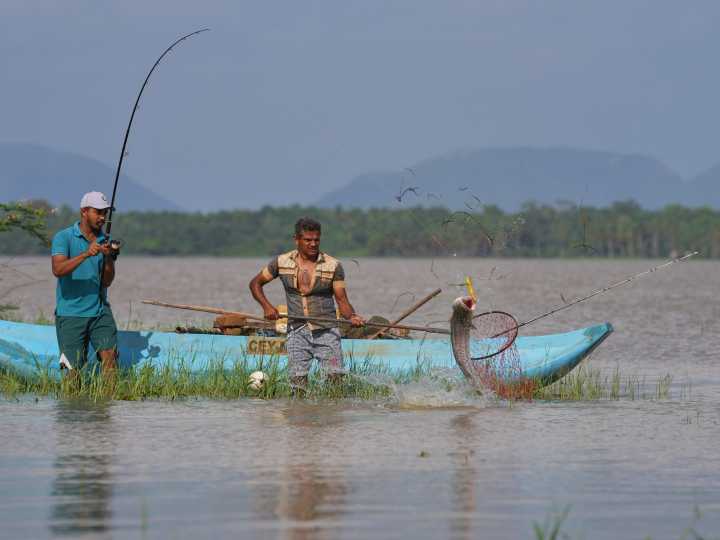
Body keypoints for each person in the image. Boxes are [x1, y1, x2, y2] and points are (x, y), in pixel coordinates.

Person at [249, 217, 365, 392]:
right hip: (296, 332)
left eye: (316, 240)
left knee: (336, 381)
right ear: (296, 239)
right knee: (298, 385)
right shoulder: (281, 262)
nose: (313, 244)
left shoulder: (333, 266)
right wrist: (267, 307)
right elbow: (255, 284)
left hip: (327, 331)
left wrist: (352, 316)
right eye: (308, 240)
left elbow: (342, 300)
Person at [50, 191, 120, 375]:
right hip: (71, 312)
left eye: (105, 212)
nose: (103, 217)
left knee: (110, 359)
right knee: (72, 373)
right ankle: (73, 404)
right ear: (84, 211)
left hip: (100, 310)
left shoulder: (104, 240)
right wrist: (86, 254)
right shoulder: (63, 237)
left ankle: (109, 403)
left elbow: (106, 282)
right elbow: (58, 270)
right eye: (98, 212)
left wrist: (110, 259)